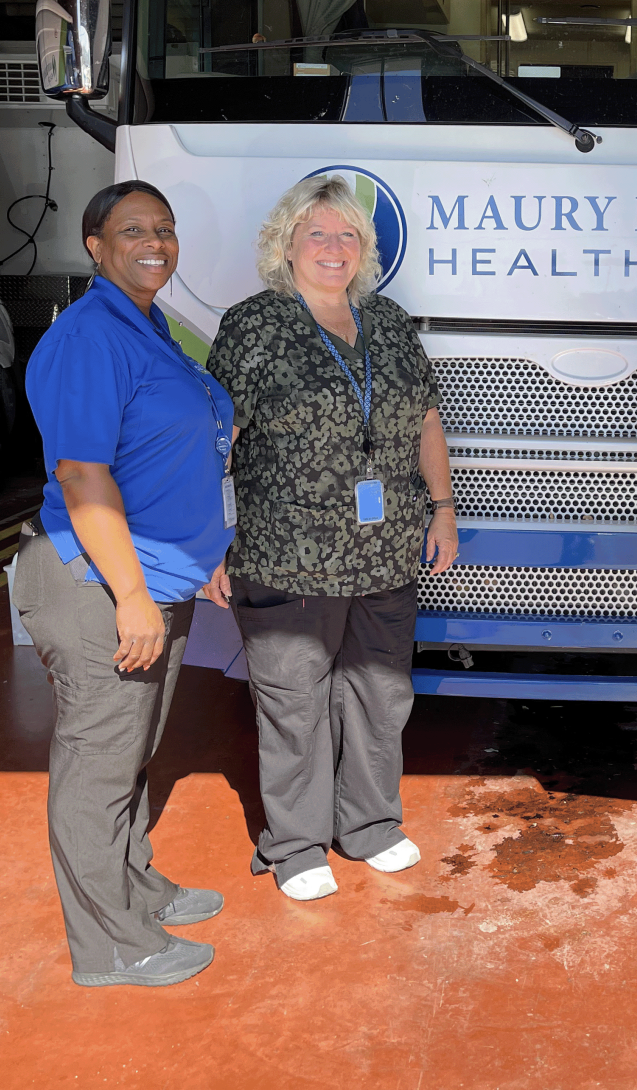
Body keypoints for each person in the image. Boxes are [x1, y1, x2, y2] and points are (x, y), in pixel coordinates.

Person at [204, 175, 458, 902]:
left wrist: (442, 510)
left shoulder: (389, 321)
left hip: (385, 550)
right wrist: (209, 541)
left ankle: (372, 824)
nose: (334, 247)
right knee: (293, 702)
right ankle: (295, 842)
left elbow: (427, 422)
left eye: (348, 235)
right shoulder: (255, 325)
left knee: (380, 697)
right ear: (286, 243)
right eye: (317, 233)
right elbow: (220, 438)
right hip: (286, 552)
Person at [18, 181, 235, 987]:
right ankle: (112, 944)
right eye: (133, 229)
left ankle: (133, 885)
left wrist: (206, 547)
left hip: (155, 576)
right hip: (99, 582)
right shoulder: (90, 336)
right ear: (94, 244)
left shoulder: (149, 326)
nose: (156, 242)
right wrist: (135, 595)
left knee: (132, 751)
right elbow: (82, 472)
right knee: (99, 762)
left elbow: (181, 449)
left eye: (166, 229)